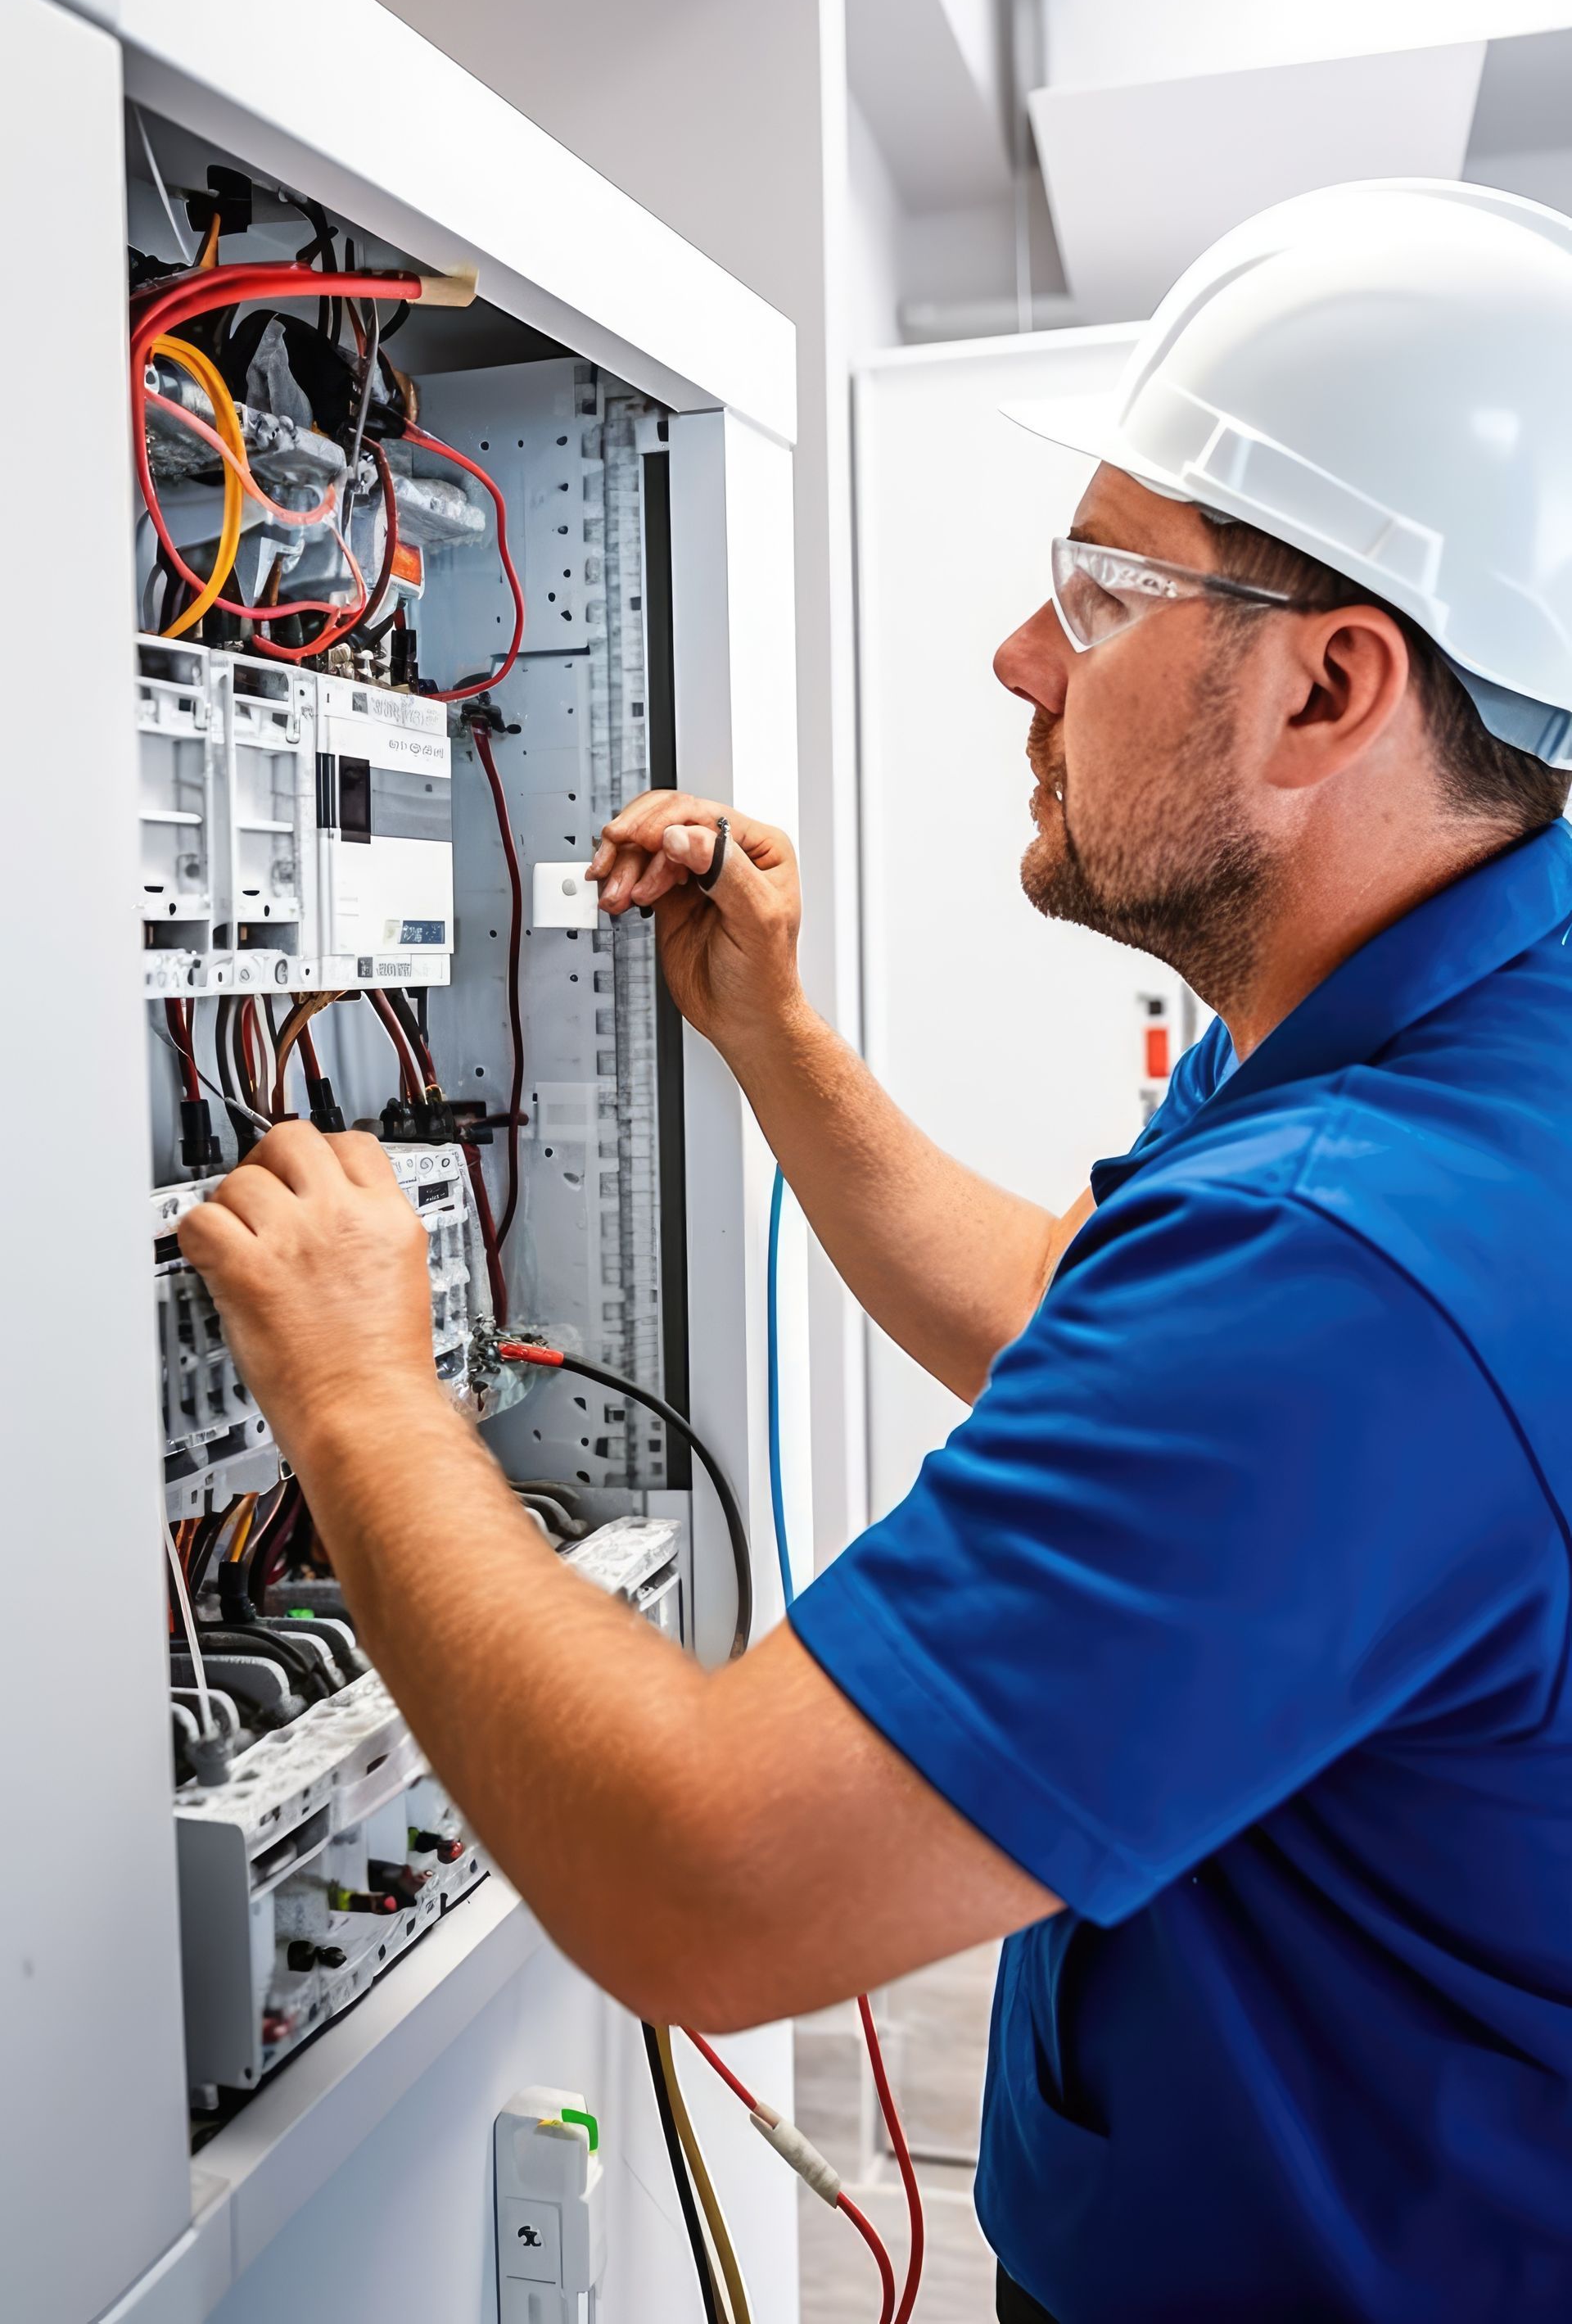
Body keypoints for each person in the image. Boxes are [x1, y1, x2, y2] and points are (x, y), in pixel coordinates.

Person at [182, 181, 1572, 2322]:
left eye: (1101, 593)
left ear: (1330, 688)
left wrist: (361, 1395)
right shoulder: (1443, 1021)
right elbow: (1076, 1329)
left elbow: (702, 1880)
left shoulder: (1356, 1264)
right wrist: (772, 1036)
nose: (1024, 657)